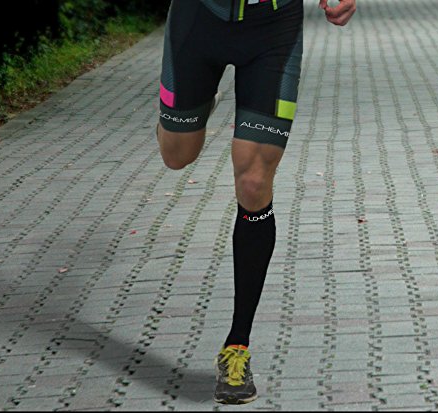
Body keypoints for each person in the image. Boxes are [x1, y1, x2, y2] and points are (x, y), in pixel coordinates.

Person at [157, 0, 356, 405]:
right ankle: (193, 107)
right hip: (200, 18)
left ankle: (237, 346)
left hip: (273, 26)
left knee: (253, 181)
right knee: (177, 155)